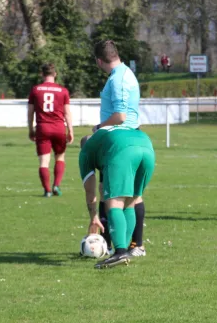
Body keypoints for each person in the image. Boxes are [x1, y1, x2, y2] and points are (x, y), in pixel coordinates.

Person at [92, 39, 147, 257]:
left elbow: (120, 116)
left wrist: (98, 127)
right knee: (133, 195)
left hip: (119, 143)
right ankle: (133, 245)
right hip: (133, 137)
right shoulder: (127, 73)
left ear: (99, 61)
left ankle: (125, 246)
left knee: (112, 194)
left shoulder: (117, 80)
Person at [79, 126, 155, 269]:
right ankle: (123, 251)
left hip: (123, 151)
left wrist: (94, 217)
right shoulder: (104, 137)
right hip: (147, 147)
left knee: (114, 203)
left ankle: (119, 252)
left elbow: (90, 192)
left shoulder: (85, 153)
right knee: (130, 202)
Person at [27, 63, 74, 197]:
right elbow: (67, 113)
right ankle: (56, 185)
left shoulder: (36, 90)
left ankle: (47, 190)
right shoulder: (63, 90)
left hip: (43, 128)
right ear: (55, 74)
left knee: (44, 162)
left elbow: (30, 112)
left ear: (42, 74)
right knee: (60, 157)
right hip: (59, 127)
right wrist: (70, 130)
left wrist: (31, 129)